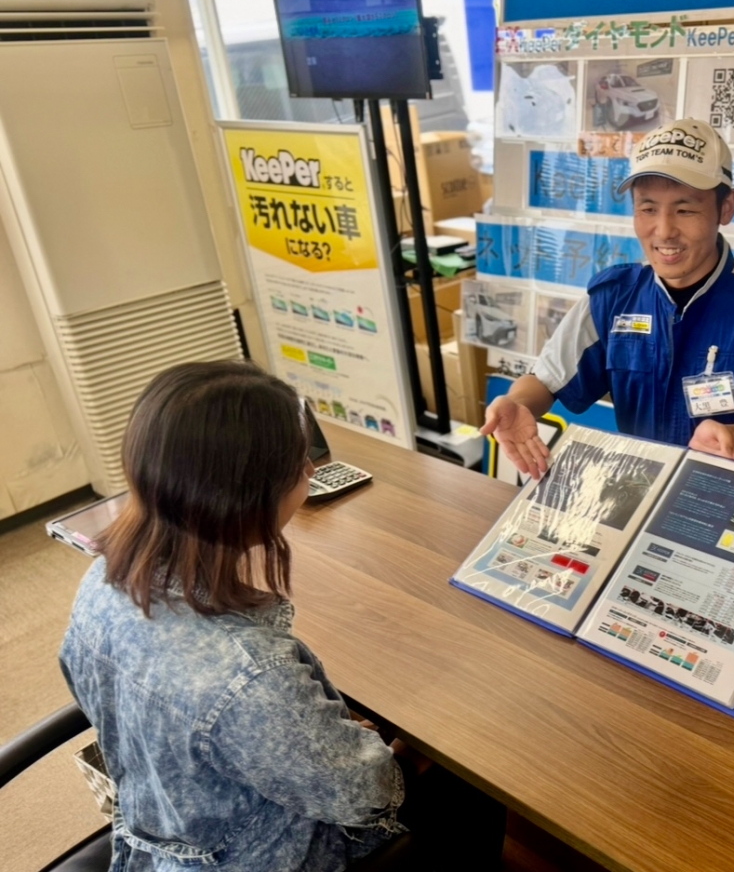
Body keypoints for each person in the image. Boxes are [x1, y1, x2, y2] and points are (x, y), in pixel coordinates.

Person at [59, 361, 504, 871]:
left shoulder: (102, 577)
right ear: (248, 497)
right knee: (471, 773)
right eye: (300, 465)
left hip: (162, 833)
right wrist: (382, 745)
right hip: (262, 856)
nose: (312, 472)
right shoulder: (249, 677)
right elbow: (369, 794)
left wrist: (305, 736)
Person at [482, 118, 734, 479]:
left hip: (731, 497)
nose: (664, 231)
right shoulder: (615, 297)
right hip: (640, 487)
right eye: (648, 209)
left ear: (726, 207)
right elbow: (547, 377)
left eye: (685, 210)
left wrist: (733, 438)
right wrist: (518, 403)